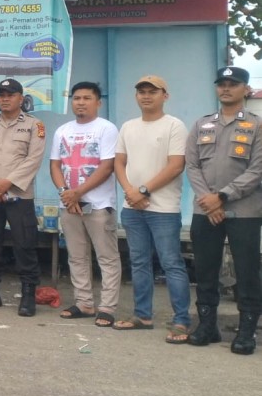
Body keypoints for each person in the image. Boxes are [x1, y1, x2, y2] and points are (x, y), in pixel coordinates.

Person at [185, 66, 262, 354]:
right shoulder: (201, 125)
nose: (226, 88)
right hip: (205, 209)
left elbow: (257, 169)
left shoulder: (257, 125)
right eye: (222, 84)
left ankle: (246, 332)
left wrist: (223, 196)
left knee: (247, 271)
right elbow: (192, 165)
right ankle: (207, 326)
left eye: (233, 84)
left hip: (245, 211)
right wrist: (208, 199)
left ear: (246, 89)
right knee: (204, 269)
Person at [112, 75, 191, 341]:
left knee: (171, 263)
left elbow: (176, 165)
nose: (146, 96)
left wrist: (143, 190)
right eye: (141, 92)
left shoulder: (174, 126)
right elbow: (119, 163)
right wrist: (130, 192)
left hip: (164, 209)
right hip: (132, 207)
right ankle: (142, 316)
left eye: (152, 92)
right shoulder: (128, 126)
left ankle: (181, 320)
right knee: (138, 262)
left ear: (164, 96)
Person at [49, 82, 121, 327]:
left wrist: (78, 192)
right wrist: (65, 193)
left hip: (99, 205)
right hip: (69, 204)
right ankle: (84, 304)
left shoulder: (106, 129)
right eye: (76, 98)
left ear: (98, 102)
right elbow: (55, 165)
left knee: (107, 258)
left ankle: (108, 308)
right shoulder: (62, 131)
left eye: (87, 98)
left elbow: (107, 166)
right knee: (77, 257)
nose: (80, 102)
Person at [0, 78, 46, 316]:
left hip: (20, 194)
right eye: (1, 95)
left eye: (10, 94)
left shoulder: (35, 126)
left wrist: (8, 183)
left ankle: (27, 296)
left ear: (21, 98)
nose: (5, 98)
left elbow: (33, 159)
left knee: (25, 243)